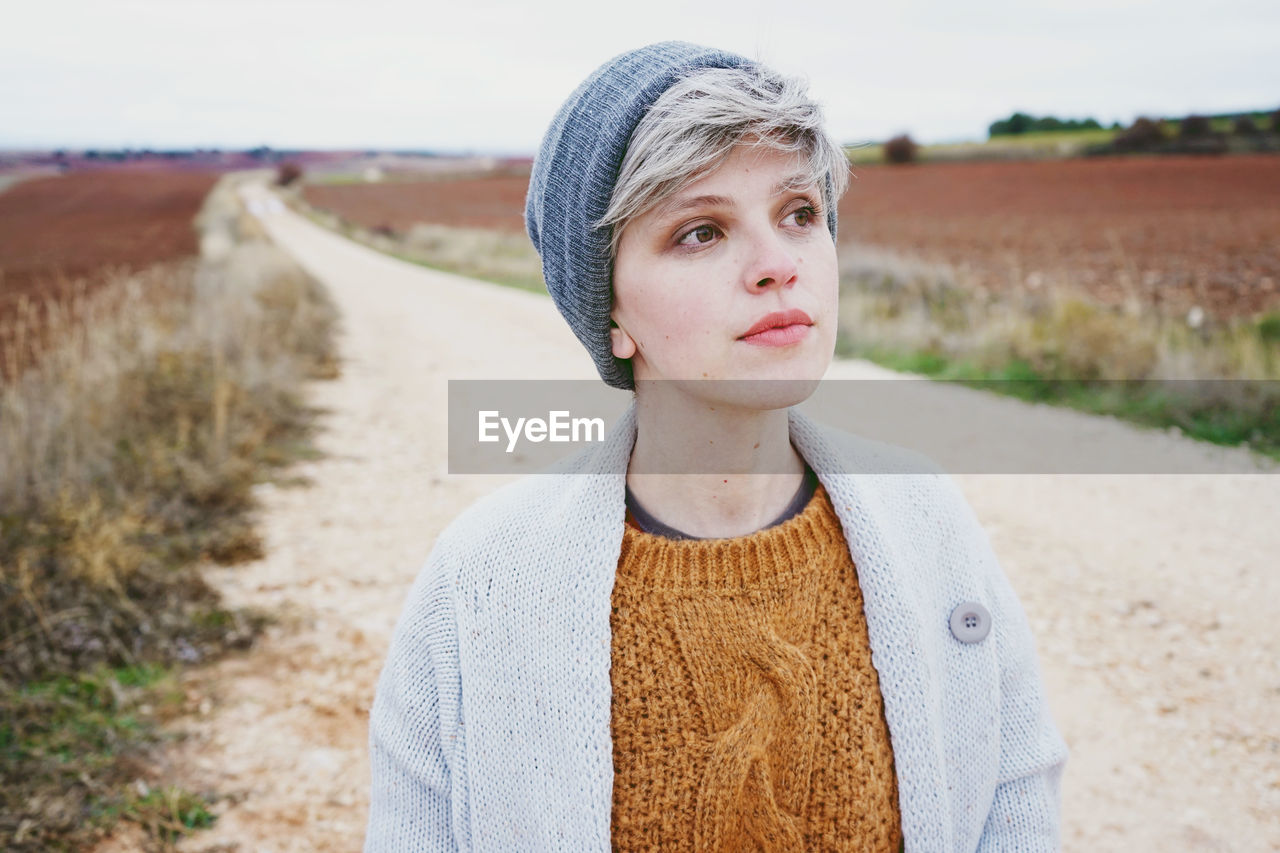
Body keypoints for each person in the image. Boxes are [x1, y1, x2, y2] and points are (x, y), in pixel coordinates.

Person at [363, 41, 1068, 852]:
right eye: (701, 232)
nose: (778, 265)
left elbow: (1015, 795)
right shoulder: (478, 583)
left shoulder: (928, 519)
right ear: (612, 312)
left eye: (799, 213)